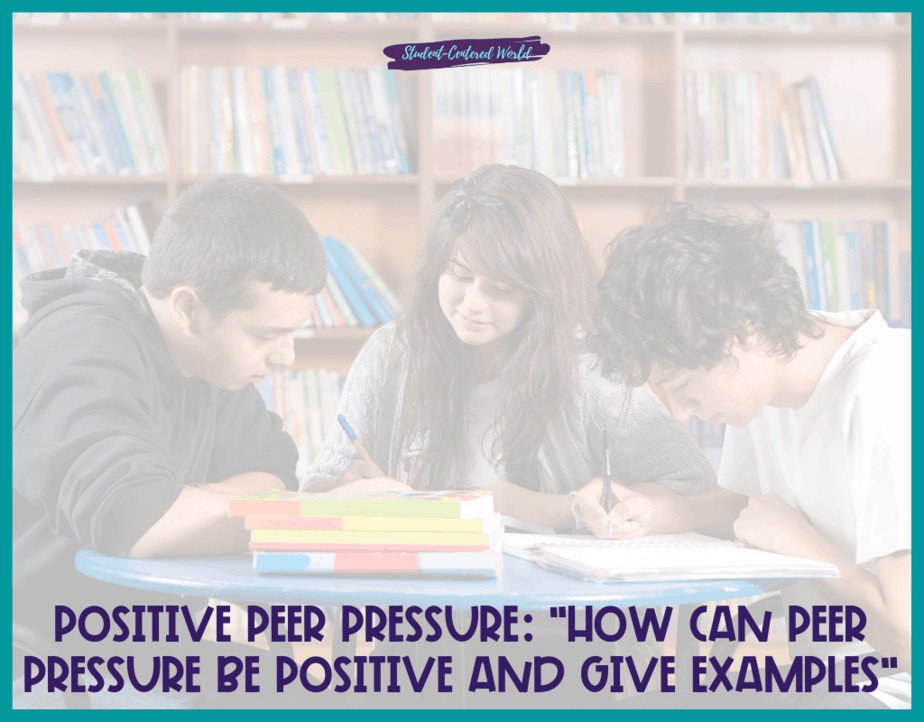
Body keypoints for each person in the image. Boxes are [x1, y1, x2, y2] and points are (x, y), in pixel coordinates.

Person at [592, 200, 910, 705]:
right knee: (625, 693)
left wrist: (806, 549)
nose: (678, 411)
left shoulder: (886, 389)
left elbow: (907, 640)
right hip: (822, 666)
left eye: (681, 384)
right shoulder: (762, 390)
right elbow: (748, 511)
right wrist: (653, 513)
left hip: (891, 690)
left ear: (742, 334)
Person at [305, 165, 715, 534]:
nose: (473, 303)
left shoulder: (589, 367)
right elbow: (317, 484)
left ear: (543, 294)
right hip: (422, 599)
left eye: (501, 289)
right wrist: (345, 490)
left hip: (551, 609)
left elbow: (690, 483)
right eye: (459, 275)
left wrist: (560, 509)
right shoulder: (393, 350)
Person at [13, 174, 326, 637]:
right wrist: (316, 518)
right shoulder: (82, 345)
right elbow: (138, 518)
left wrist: (194, 503)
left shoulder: (210, 359)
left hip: (154, 615)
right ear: (186, 307)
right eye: (267, 335)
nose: (286, 357)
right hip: (45, 637)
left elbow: (275, 468)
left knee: (348, 659)